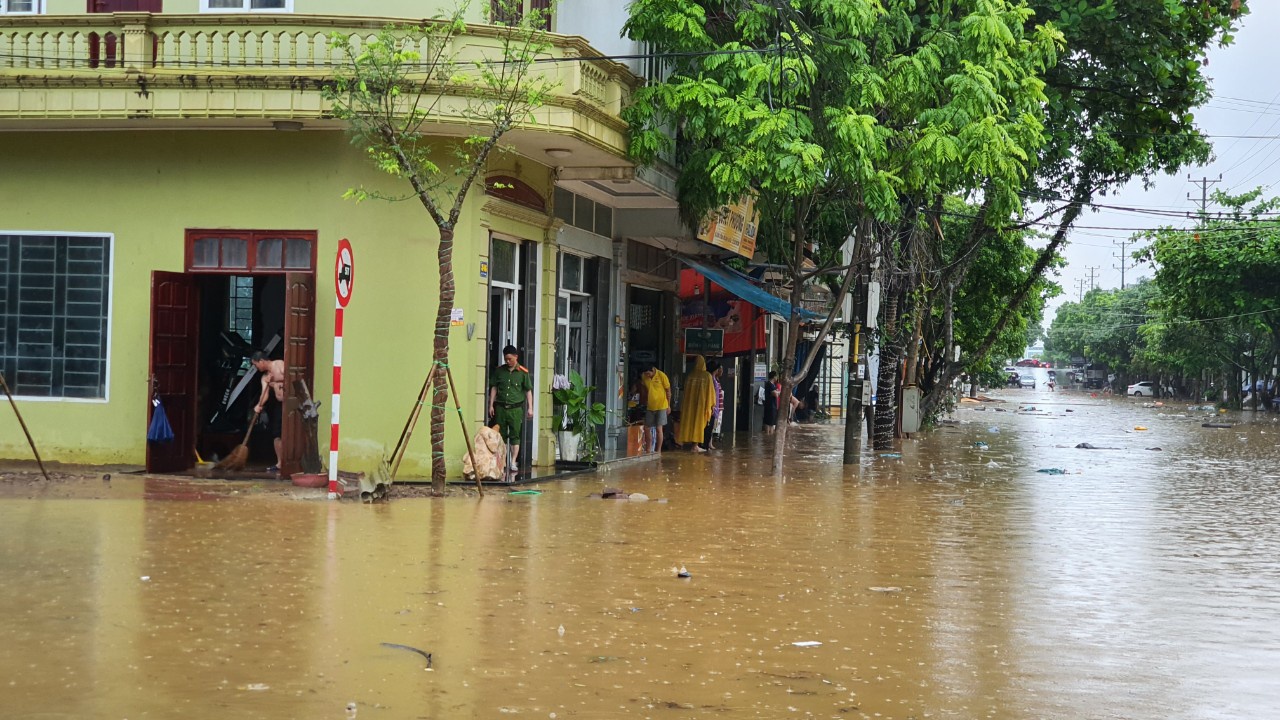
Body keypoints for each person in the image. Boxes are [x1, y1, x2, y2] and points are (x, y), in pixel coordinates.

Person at [488, 345, 533, 478]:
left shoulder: (523, 372)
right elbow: (494, 388)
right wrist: (491, 405)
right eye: (506, 359)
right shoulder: (499, 371)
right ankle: (501, 462)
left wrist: (530, 408)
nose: (508, 361)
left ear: (516, 357)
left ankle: (513, 462)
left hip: (515, 409)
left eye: (510, 359)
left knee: (514, 436)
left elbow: (528, 391)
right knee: (500, 436)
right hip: (501, 408)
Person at [251, 351, 286, 474]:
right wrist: (258, 405)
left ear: (261, 361)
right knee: (276, 433)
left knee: (290, 432)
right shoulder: (264, 377)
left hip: (290, 402)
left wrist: (276, 381)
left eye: (256, 365)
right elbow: (264, 395)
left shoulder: (279, 364)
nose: (256, 368)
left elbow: (291, 377)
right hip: (279, 404)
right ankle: (280, 463)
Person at [676, 355, 715, 452]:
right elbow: (710, 392)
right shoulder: (707, 376)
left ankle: (686, 444)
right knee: (699, 424)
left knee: (690, 423)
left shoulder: (690, 376)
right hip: (701, 405)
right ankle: (695, 446)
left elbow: (685, 393)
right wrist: (712, 405)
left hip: (690, 406)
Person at [640, 363, 671, 453]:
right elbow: (645, 389)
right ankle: (648, 449)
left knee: (658, 429)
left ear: (653, 370)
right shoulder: (644, 376)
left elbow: (668, 391)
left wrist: (668, 405)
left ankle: (658, 450)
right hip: (650, 407)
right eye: (645, 374)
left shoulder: (662, 376)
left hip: (661, 406)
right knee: (647, 427)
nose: (647, 376)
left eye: (648, 374)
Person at [705, 360, 724, 449]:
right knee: (709, 427)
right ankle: (707, 444)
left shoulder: (714, 379)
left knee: (712, 427)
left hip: (715, 407)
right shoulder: (711, 380)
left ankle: (709, 444)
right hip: (713, 407)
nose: (719, 371)